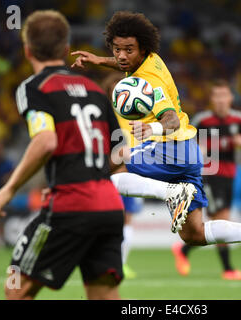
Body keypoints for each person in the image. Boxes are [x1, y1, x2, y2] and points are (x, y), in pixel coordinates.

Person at [71, 11, 241, 267]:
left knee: (111, 164)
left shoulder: (149, 81)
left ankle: (172, 192)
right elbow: (124, 62)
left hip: (171, 148)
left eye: (128, 50)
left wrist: (153, 130)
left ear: (142, 48)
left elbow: (171, 120)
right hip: (187, 153)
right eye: (116, 48)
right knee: (194, 234)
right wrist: (100, 60)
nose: (121, 55)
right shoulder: (151, 60)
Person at [0, 10, 127, 300]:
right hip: (110, 207)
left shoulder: (34, 88)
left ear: (27, 50)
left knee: (16, 289)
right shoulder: (95, 90)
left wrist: (9, 188)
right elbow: (119, 153)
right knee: (104, 296)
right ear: (66, 49)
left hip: (70, 205)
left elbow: (46, 141)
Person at [172, 79, 241, 280]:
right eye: (216, 96)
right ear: (212, 99)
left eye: (223, 96)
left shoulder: (239, 119)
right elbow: (188, 145)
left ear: (230, 98)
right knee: (221, 219)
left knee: (214, 222)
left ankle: (183, 250)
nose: (220, 100)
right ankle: (228, 269)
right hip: (208, 175)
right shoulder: (202, 120)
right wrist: (199, 151)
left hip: (229, 176)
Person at [101, 72, 145, 279]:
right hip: (112, 173)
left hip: (134, 173)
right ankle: (109, 261)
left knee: (127, 221)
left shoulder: (137, 114)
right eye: (116, 91)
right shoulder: (105, 116)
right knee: (113, 221)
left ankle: (121, 263)